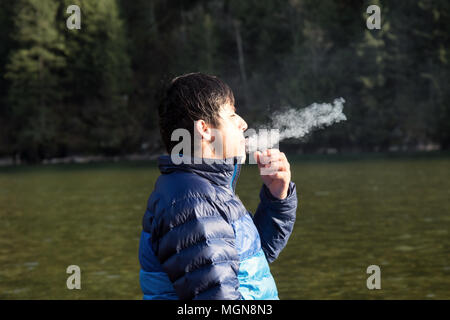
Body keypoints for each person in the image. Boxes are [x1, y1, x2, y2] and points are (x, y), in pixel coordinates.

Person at [138, 72, 298, 300]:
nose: (243, 123)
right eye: (232, 115)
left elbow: (248, 260)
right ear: (204, 129)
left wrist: (276, 199)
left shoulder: (203, 190)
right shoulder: (193, 203)